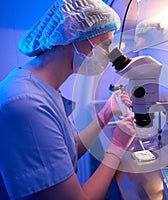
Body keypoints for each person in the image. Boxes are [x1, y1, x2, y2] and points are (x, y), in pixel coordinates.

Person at [0, 0, 137, 199]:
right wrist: (117, 148)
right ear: (73, 34)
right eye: (106, 45)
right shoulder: (26, 104)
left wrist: (106, 113)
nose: (108, 56)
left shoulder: (43, 88)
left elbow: (66, 153)